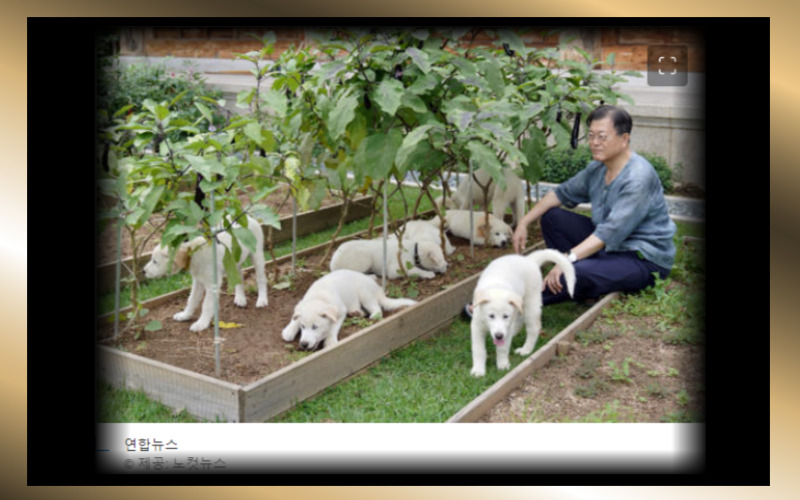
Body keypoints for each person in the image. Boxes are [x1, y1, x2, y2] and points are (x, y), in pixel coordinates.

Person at [510, 105, 676, 305]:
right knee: (553, 218)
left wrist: (566, 260)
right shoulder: (597, 168)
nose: (594, 143)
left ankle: (510, 303)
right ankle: (587, 285)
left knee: (575, 271)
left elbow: (609, 233)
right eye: (591, 136)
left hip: (641, 259)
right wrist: (524, 222)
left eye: (602, 136)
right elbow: (561, 193)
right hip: (610, 248)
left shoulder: (638, 177)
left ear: (624, 139)